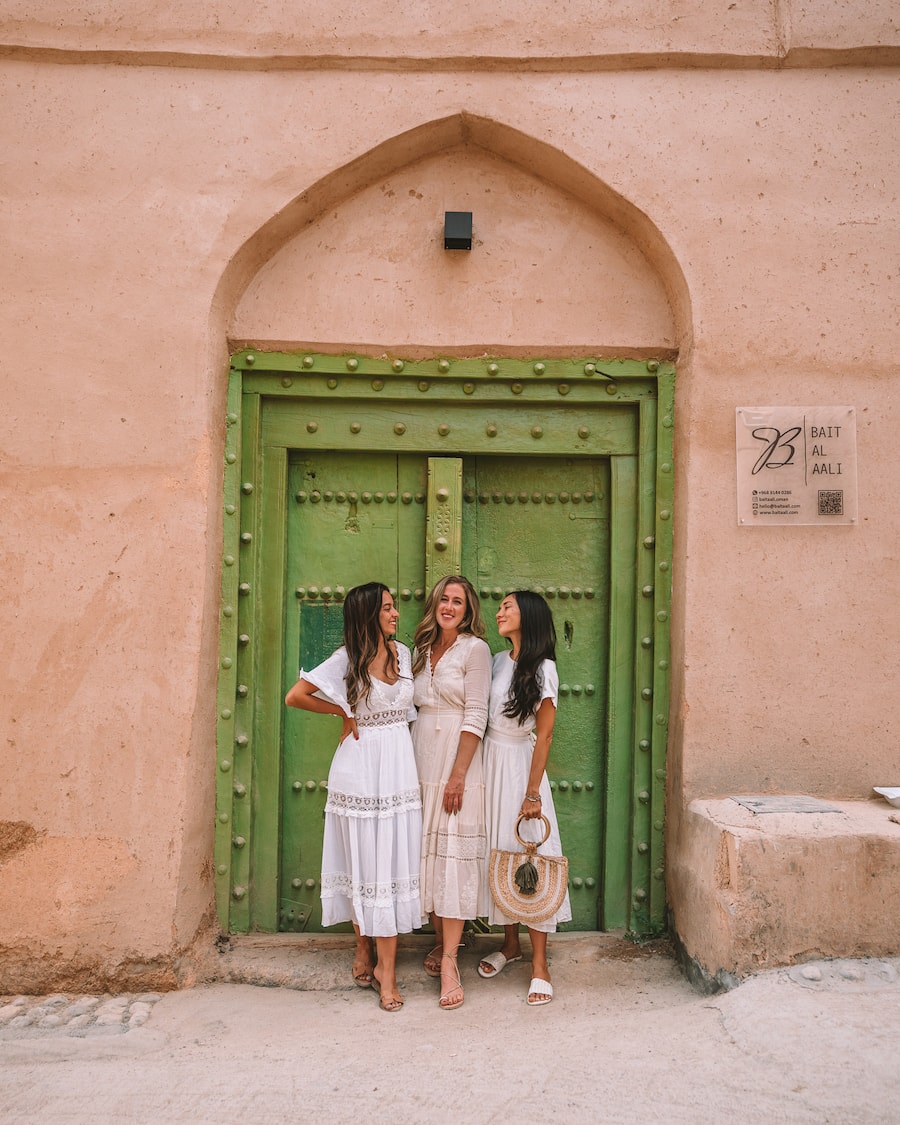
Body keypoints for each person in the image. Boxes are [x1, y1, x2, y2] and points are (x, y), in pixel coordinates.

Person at [284, 582, 423, 1012]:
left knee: (390, 862)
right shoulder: (348, 657)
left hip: (398, 769)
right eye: (386, 608)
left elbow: (411, 712)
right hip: (360, 769)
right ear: (367, 615)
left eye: (394, 606)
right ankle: (383, 971)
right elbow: (296, 695)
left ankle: (374, 957)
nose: (396, 613)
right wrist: (342, 711)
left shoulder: (403, 653)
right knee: (366, 862)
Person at [478, 590, 571, 1006]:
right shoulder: (499, 661)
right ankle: (509, 945)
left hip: (520, 767)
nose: (499, 612)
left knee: (530, 853)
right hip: (490, 762)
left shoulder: (544, 668)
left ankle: (539, 964)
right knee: (500, 852)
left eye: (507, 607)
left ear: (527, 617)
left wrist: (532, 791)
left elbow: (546, 733)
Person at [411, 575, 492, 1010]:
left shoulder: (475, 649)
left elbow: (476, 712)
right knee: (430, 856)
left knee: (453, 858)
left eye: (457, 601)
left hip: (457, 761)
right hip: (421, 755)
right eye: (444, 598)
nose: (449, 606)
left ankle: (448, 962)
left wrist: (458, 775)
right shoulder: (420, 650)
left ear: (468, 609)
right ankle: (443, 943)